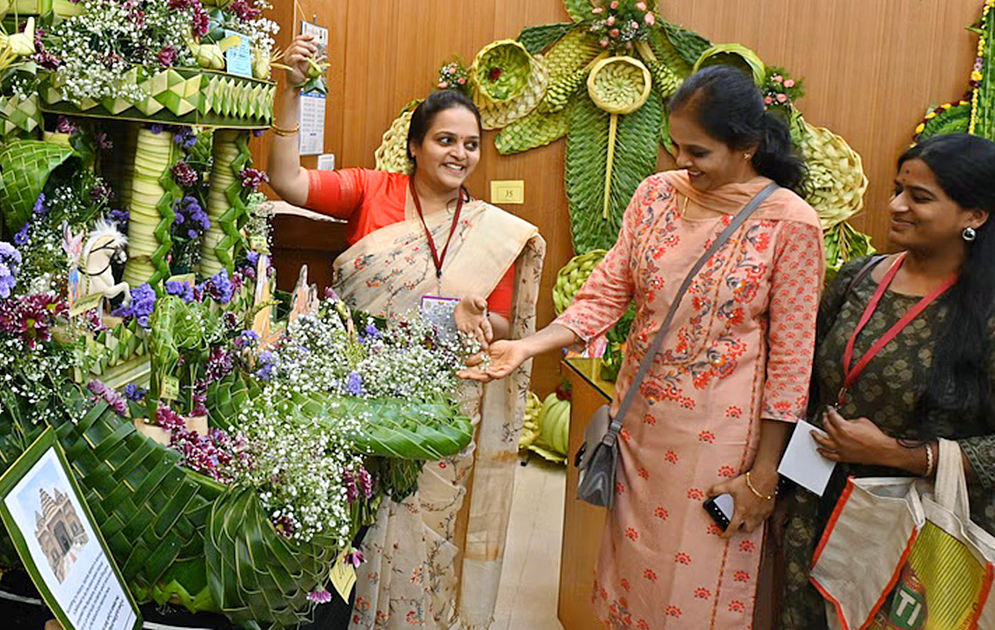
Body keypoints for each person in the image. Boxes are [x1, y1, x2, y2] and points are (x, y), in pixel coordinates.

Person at [465, 65, 825, 627]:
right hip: (639, 427)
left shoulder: (791, 224)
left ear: (748, 147)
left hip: (721, 444)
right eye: (676, 146)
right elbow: (607, 292)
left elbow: (791, 362)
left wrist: (762, 476)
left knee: (695, 589)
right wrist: (528, 347)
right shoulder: (656, 195)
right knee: (633, 581)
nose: (682, 162)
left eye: (699, 152)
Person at [268, 35, 546, 630]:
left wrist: (470, 316)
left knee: (423, 535)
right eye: (446, 140)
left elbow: (499, 324)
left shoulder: (490, 233)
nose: (460, 154)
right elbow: (288, 183)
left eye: (471, 145)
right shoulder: (373, 191)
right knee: (347, 526)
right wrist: (289, 95)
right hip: (351, 393)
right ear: (416, 146)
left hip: (439, 406)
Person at [778, 133, 995, 629]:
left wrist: (903, 455)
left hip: (915, 533)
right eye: (898, 189)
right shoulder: (858, 277)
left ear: (975, 216)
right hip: (815, 510)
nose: (896, 206)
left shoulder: (986, 312)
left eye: (919, 198)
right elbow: (804, 382)